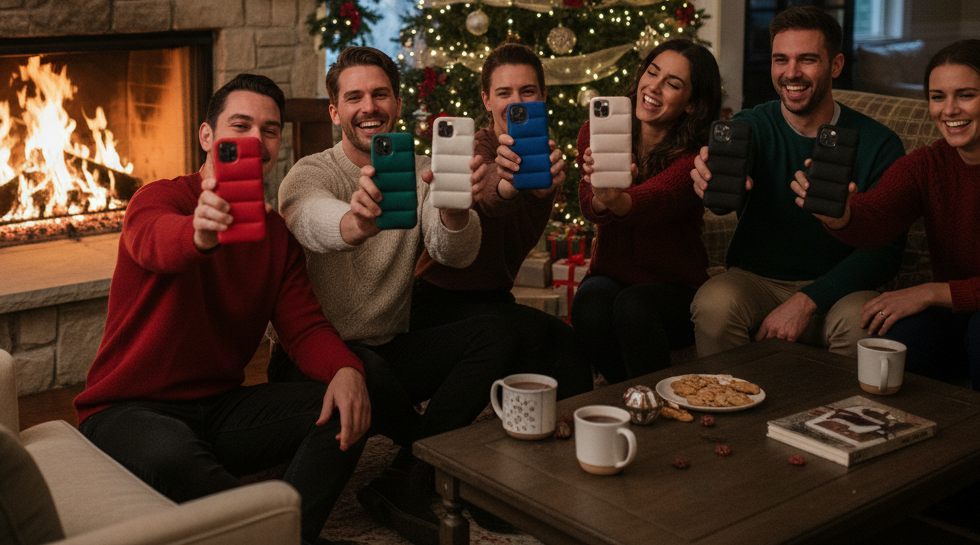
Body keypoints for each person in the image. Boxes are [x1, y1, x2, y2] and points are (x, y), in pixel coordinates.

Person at [75, 74, 370, 545]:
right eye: (240, 125)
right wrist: (200, 233)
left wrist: (345, 369)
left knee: (344, 408)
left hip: (220, 409)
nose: (256, 140)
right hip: (127, 409)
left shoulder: (277, 237)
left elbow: (304, 327)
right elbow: (155, 243)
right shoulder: (160, 199)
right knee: (174, 457)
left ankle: (284, 533)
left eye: (270, 130)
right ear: (207, 136)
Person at [276, 46, 516, 545]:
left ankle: (408, 471)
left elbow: (455, 253)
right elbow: (310, 219)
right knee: (365, 368)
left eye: (380, 93)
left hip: (388, 349)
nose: (369, 106)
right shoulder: (310, 172)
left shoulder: (423, 169)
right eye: (355, 96)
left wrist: (454, 212)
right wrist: (354, 222)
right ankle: (439, 460)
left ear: (398, 102)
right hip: (316, 360)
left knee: (498, 330)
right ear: (334, 110)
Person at [792, 39, 980, 404]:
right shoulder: (927, 164)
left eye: (964, 95)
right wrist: (841, 214)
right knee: (902, 333)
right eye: (938, 97)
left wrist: (929, 292)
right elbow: (875, 219)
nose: (949, 110)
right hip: (963, 310)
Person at [689, 6, 905, 357]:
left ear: (835, 65)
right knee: (714, 302)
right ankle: (726, 404)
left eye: (807, 60)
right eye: (780, 60)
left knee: (861, 324)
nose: (791, 73)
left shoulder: (879, 143)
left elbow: (886, 252)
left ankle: (837, 414)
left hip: (841, 290)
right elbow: (721, 201)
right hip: (756, 281)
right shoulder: (750, 127)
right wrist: (709, 186)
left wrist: (807, 301)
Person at [412, 42, 593, 399]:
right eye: (503, 92)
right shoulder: (472, 151)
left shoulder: (548, 163)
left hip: (493, 298)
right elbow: (488, 193)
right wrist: (510, 185)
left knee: (565, 346)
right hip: (435, 298)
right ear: (486, 100)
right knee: (512, 339)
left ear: (542, 96)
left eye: (527, 91)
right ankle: (427, 447)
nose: (516, 102)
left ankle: (566, 434)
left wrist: (539, 190)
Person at [572, 38, 723, 383]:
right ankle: (625, 394)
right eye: (651, 72)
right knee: (590, 305)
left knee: (634, 306)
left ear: (691, 104)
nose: (653, 87)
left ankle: (653, 401)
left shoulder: (697, 157)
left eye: (672, 83)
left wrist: (618, 199)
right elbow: (589, 206)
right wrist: (601, 196)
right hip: (611, 275)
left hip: (675, 288)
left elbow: (660, 199)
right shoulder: (596, 133)